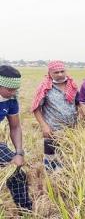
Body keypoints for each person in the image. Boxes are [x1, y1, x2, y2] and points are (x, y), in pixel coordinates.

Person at [31, 61, 79, 171]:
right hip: (52, 130)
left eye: (62, 71)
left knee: (67, 157)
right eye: (56, 72)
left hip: (71, 130)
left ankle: (65, 179)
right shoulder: (45, 87)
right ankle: (50, 180)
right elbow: (36, 108)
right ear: (50, 73)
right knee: (51, 158)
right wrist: (44, 126)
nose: (60, 74)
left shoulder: (71, 84)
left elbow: (78, 103)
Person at [0, 65, 32, 211]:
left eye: (15, 90)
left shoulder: (11, 100)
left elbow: (15, 127)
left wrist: (19, 153)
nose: (13, 93)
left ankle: (26, 211)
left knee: (17, 173)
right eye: (10, 89)